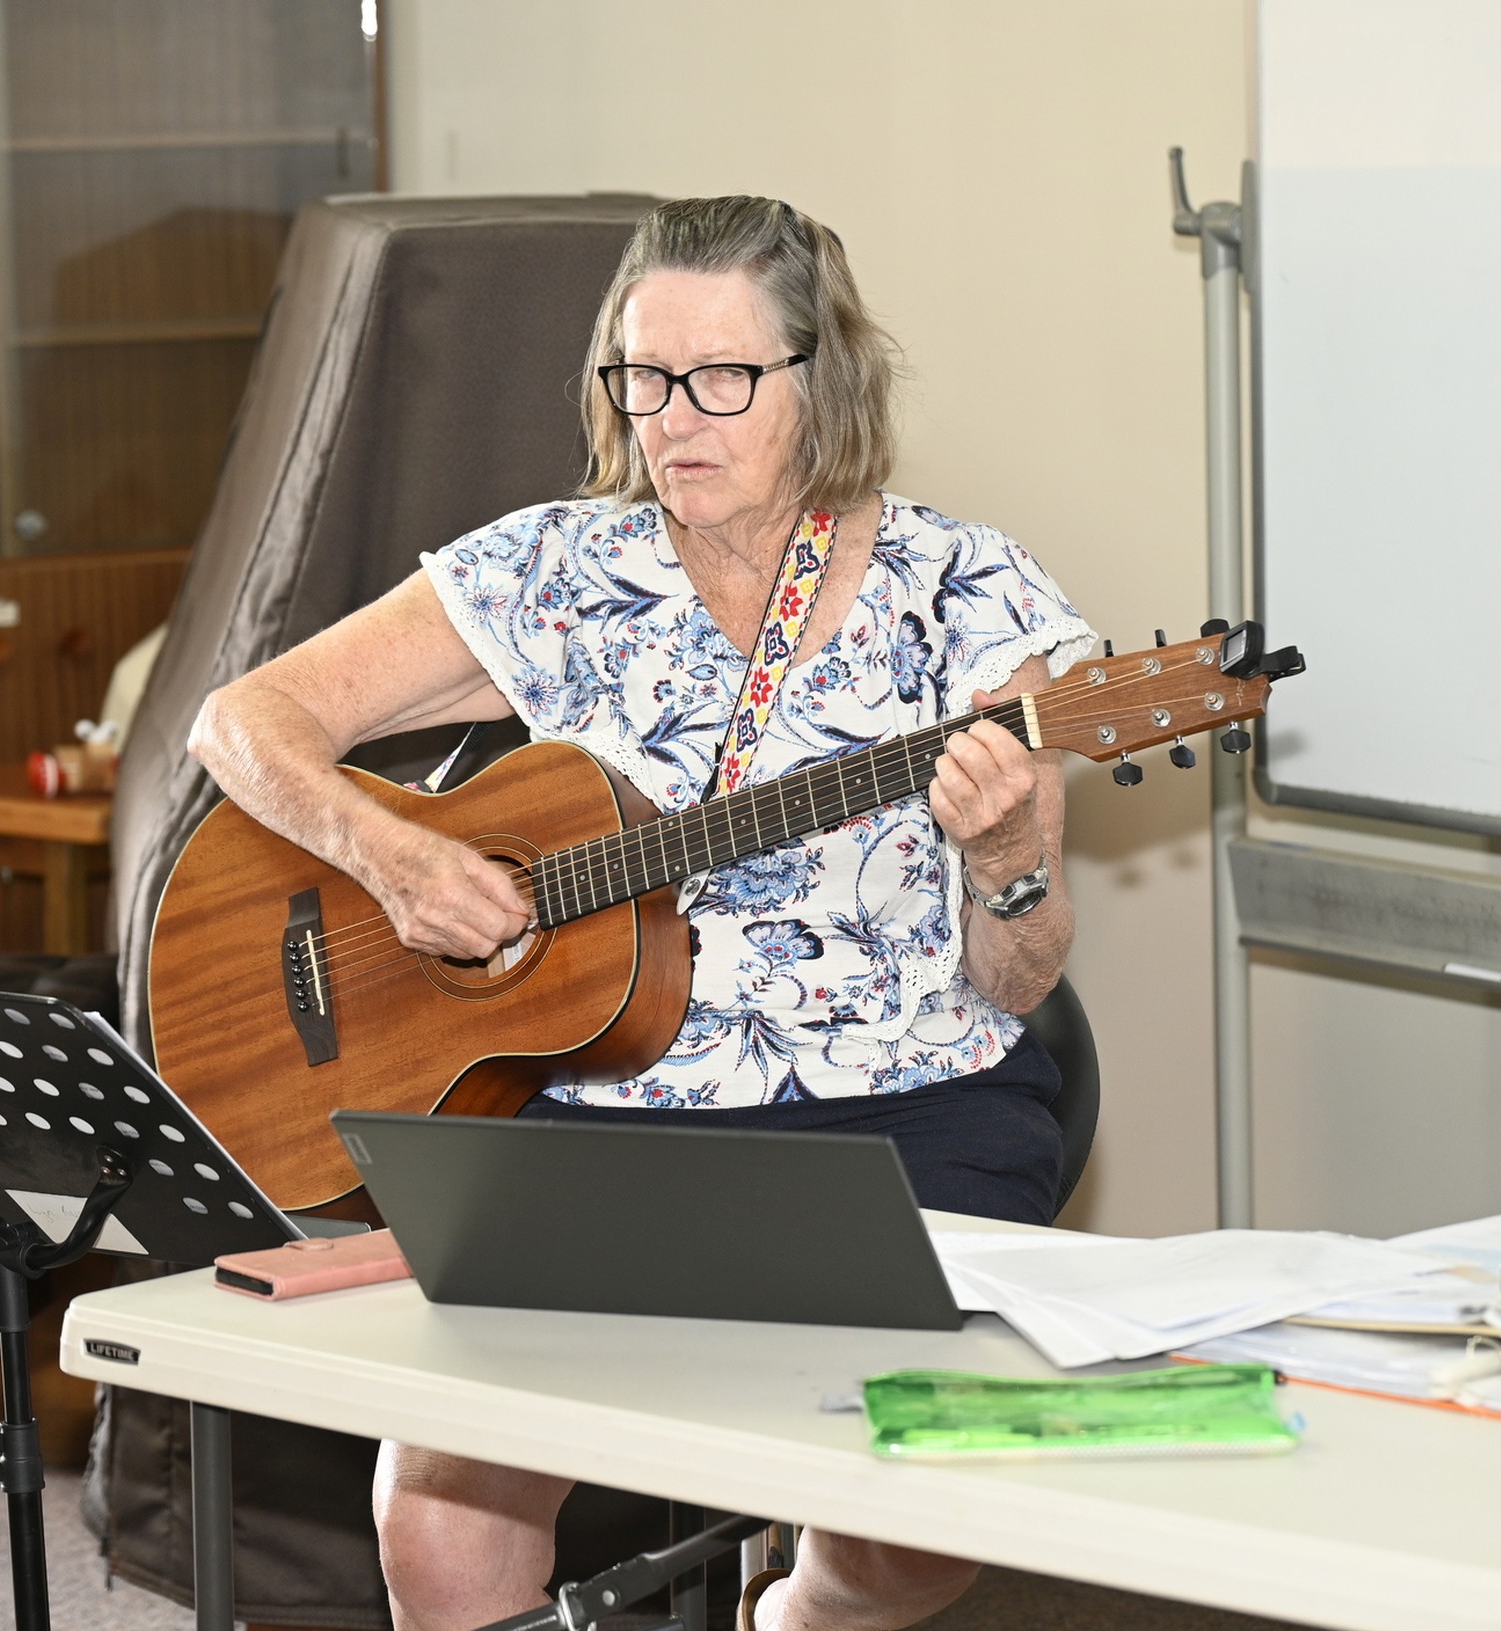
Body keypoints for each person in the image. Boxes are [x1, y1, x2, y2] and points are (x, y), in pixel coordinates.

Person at [190, 195, 1099, 1631]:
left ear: (823, 378)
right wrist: (393, 859)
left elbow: (1019, 973)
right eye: (643, 376)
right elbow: (242, 723)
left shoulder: (969, 595)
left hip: (897, 1112)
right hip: (589, 1111)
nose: (674, 418)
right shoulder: (553, 571)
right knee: (439, 1521)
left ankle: (789, 1616)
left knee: (919, 1520)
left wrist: (1003, 857)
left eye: (722, 377)